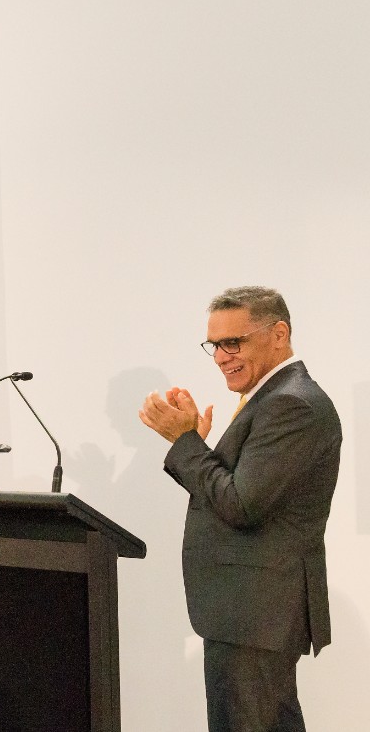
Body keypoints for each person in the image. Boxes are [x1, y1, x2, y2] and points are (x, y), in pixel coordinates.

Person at [139, 286, 340, 732]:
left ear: (279, 334)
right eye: (214, 345)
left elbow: (242, 504)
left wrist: (185, 442)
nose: (221, 357)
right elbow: (242, 490)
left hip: (257, 615)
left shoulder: (292, 403)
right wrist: (198, 444)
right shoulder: (272, 398)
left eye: (234, 342)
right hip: (246, 615)